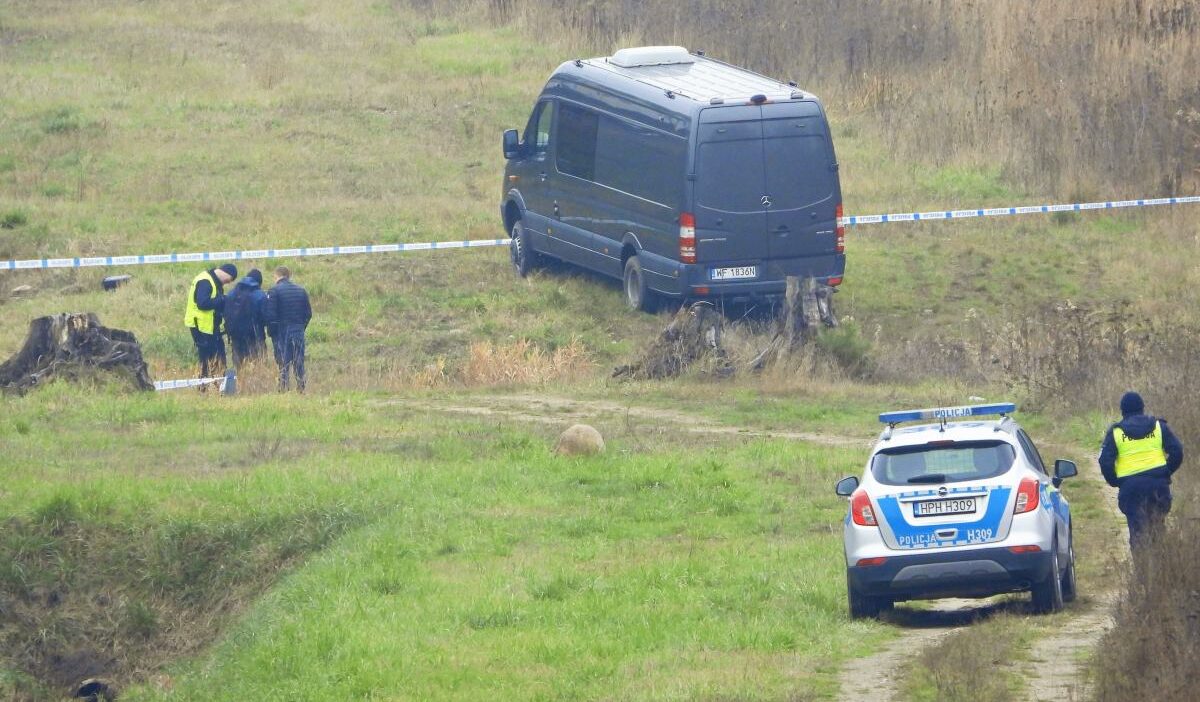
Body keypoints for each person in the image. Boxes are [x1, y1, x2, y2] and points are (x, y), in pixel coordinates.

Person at [1098, 391, 1184, 551]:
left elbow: (1104, 461)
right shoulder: (1159, 427)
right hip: (1158, 486)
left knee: (1137, 534)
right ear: (1142, 408)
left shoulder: (1116, 433)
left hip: (1131, 490)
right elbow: (1177, 451)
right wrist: (1165, 472)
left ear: (1122, 411)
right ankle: (1163, 571)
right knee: (1157, 529)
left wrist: (1116, 481)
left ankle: (1143, 572)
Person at [184, 263, 237, 380]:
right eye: (229, 280)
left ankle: (218, 386)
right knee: (207, 359)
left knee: (218, 357)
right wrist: (222, 299)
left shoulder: (214, 282)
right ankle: (205, 388)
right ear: (225, 273)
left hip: (210, 326)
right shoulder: (205, 281)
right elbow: (203, 303)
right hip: (201, 327)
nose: (228, 283)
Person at [267, 265, 312, 392]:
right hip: (298, 330)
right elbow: (308, 313)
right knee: (299, 361)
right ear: (288, 276)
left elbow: (270, 315)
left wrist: (272, 333)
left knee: (283, 362)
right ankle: (301, 388)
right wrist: (301, 327)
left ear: (276, 276)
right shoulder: (301, 290)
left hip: (282, 331)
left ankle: (283, 389)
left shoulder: (274, 291)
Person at [224, 268, 270, 368]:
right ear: (259, 282)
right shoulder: (260, 295)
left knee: (239, 368)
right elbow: (266, 317)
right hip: (255, 337)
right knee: (259, 367)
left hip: (235, 337)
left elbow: (226, 313)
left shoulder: (231, 293)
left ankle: (241, 383)